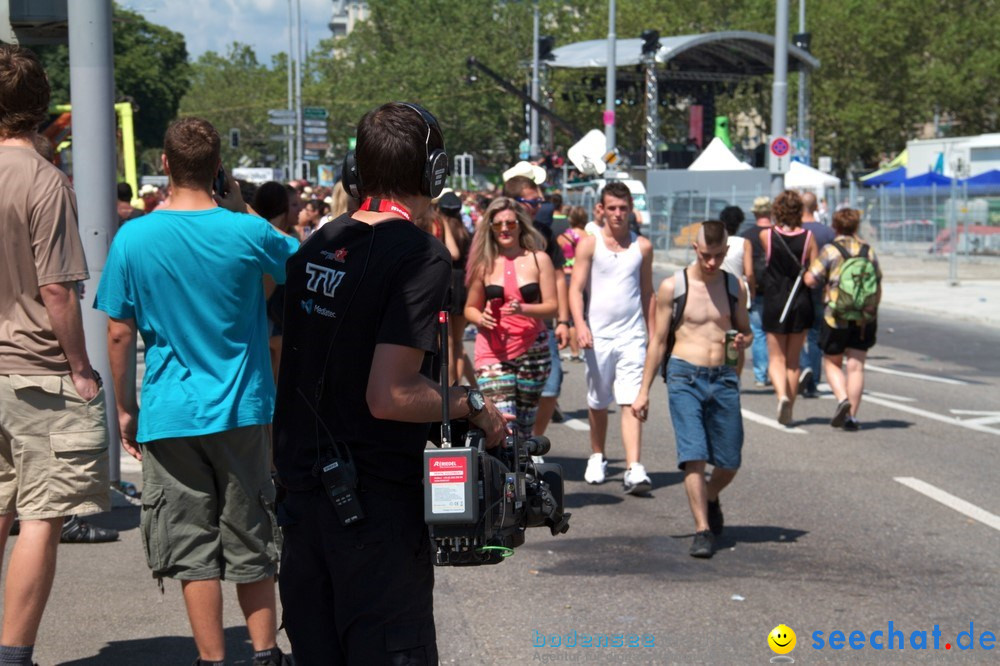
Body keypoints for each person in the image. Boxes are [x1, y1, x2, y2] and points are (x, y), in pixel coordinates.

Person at [272, 102, 508, 664]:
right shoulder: (418, 256)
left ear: (357, 169)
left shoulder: (320, 242)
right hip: (371, 512)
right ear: (435, 173)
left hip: (303, 504)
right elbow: (392, 394)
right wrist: (472, 404)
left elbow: (282, 352)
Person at [95, 117, 298, 666]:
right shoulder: (245, 232)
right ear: (218, 170)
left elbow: (118, 330)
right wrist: (241, 207)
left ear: (164, 164)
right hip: (243, 408)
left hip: (170, 412)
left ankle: (212, 659)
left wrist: (124, 408)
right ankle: (264, 653)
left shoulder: (133, 237)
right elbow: (298, 260)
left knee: (191, 548)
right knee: (252, 534)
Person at [0, 44, 112, 666]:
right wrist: (80, 369)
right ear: (40, 107)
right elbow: (57, 292)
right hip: (37, 370)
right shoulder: (45, 181)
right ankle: (13, 654)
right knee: (40, 517)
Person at [632, 220, 752, 558]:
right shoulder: (675, 287)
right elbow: (657, 342)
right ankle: (702, 529)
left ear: (726, 252)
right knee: (694, 456)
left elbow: (744, 329)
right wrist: (643, 392)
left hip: (724, 377)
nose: (711, 263)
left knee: (729, 461)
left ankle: (710, 495)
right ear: (695, 250)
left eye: (718, 256)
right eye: (705, 255)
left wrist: (744, 339)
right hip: (685, 377)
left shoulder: (734, 287)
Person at [569, 182, 655, 495]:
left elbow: (647, 292)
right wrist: (579, 325)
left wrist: (655, 333)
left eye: (623, 208)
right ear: (602, 209)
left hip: (631, 334)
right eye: (612, 208)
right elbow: (576, 289)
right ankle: (598, 455)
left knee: (631, 399)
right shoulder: (590, 244)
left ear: (631, 209)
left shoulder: (642, 246)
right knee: (598, 398)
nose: (618, 214)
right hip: (598, 335)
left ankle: (634, 466)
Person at [465, 198, 557, 440]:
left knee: (525, 429)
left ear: (520, 225)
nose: (504, 229)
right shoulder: (483, 264)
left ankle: (521, 475)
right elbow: (469, 309)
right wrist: (481, 317)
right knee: (505, 425)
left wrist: (523, 308)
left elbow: (552, 307)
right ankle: (504, 474)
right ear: (490, 229)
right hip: (492, 352)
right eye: (497, 225)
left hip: (533, 351)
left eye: (510, 223)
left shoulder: (539, 259)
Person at [501, 175, 571, 438]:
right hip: (505, 329)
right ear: (515, 201)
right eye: (534, 201)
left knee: (551, 387)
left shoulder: (544, 233)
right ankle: (512, 447)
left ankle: (531, 441)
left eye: (540, 201)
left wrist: (564, 321)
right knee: (511, 392)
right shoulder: (498, 233)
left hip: (544, 324)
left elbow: (559, 278)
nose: (539, 206)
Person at [804, 208, 881, 431]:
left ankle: (841, 399)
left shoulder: (831, 250)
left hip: (835, 316)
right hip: (864, 318)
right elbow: (877, 282)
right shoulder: (868, 251)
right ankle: (852, 417)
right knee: (856, 367)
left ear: (835, 227)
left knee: (832, 362)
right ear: (856, 226)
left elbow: (811, 279)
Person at [759, 190, 817, 425]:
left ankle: (781, 396)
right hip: (800, 302)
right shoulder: (809, 238)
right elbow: (814, 271)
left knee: (776, 358)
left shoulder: (767, 236)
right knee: (793, 361)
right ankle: (789, 408)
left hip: (775, 300)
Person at [797, 191, 836, 398]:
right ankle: (812, 381)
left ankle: (803, 366)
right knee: (814, 335)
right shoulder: (827, 232)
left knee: (792, 334)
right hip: (821, 287)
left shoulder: (796, 230)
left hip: (797, 289)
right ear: (815, 207)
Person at [437, 191, 476, 387]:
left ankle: (453, 389)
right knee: (458, 343)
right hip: (463, 285)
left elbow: (453, 254)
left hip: (448, 284)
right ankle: (465, 387)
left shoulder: (440, 229)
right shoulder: (465, 230)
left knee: (449, 343)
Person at [740, 196, 771, 387]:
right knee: (780, 333)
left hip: (757, 288)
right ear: (771, 212)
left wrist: (749, 291)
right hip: (779, 290)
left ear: (754, 213)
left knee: (758, 332)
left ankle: (761, 375)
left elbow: (747, 269)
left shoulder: (747, 236)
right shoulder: (778, 233)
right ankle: (786, 370)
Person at [720, 205, 753, 376]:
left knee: (723, 334)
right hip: (738, 291)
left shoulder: (720, 241)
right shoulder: (743, 243)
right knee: (738, 337)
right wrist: (752, 290)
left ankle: (724, 371)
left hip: (720, 290)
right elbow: (749, 272)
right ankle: (735, 375)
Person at [557, 206, 588, 362]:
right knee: (583, 315)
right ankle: (585, 347)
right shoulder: (589, 237)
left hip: (568, 276)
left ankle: (575, 352)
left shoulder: (563, 237)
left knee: (570, 317)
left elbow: (556, 258)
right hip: (585, 278)